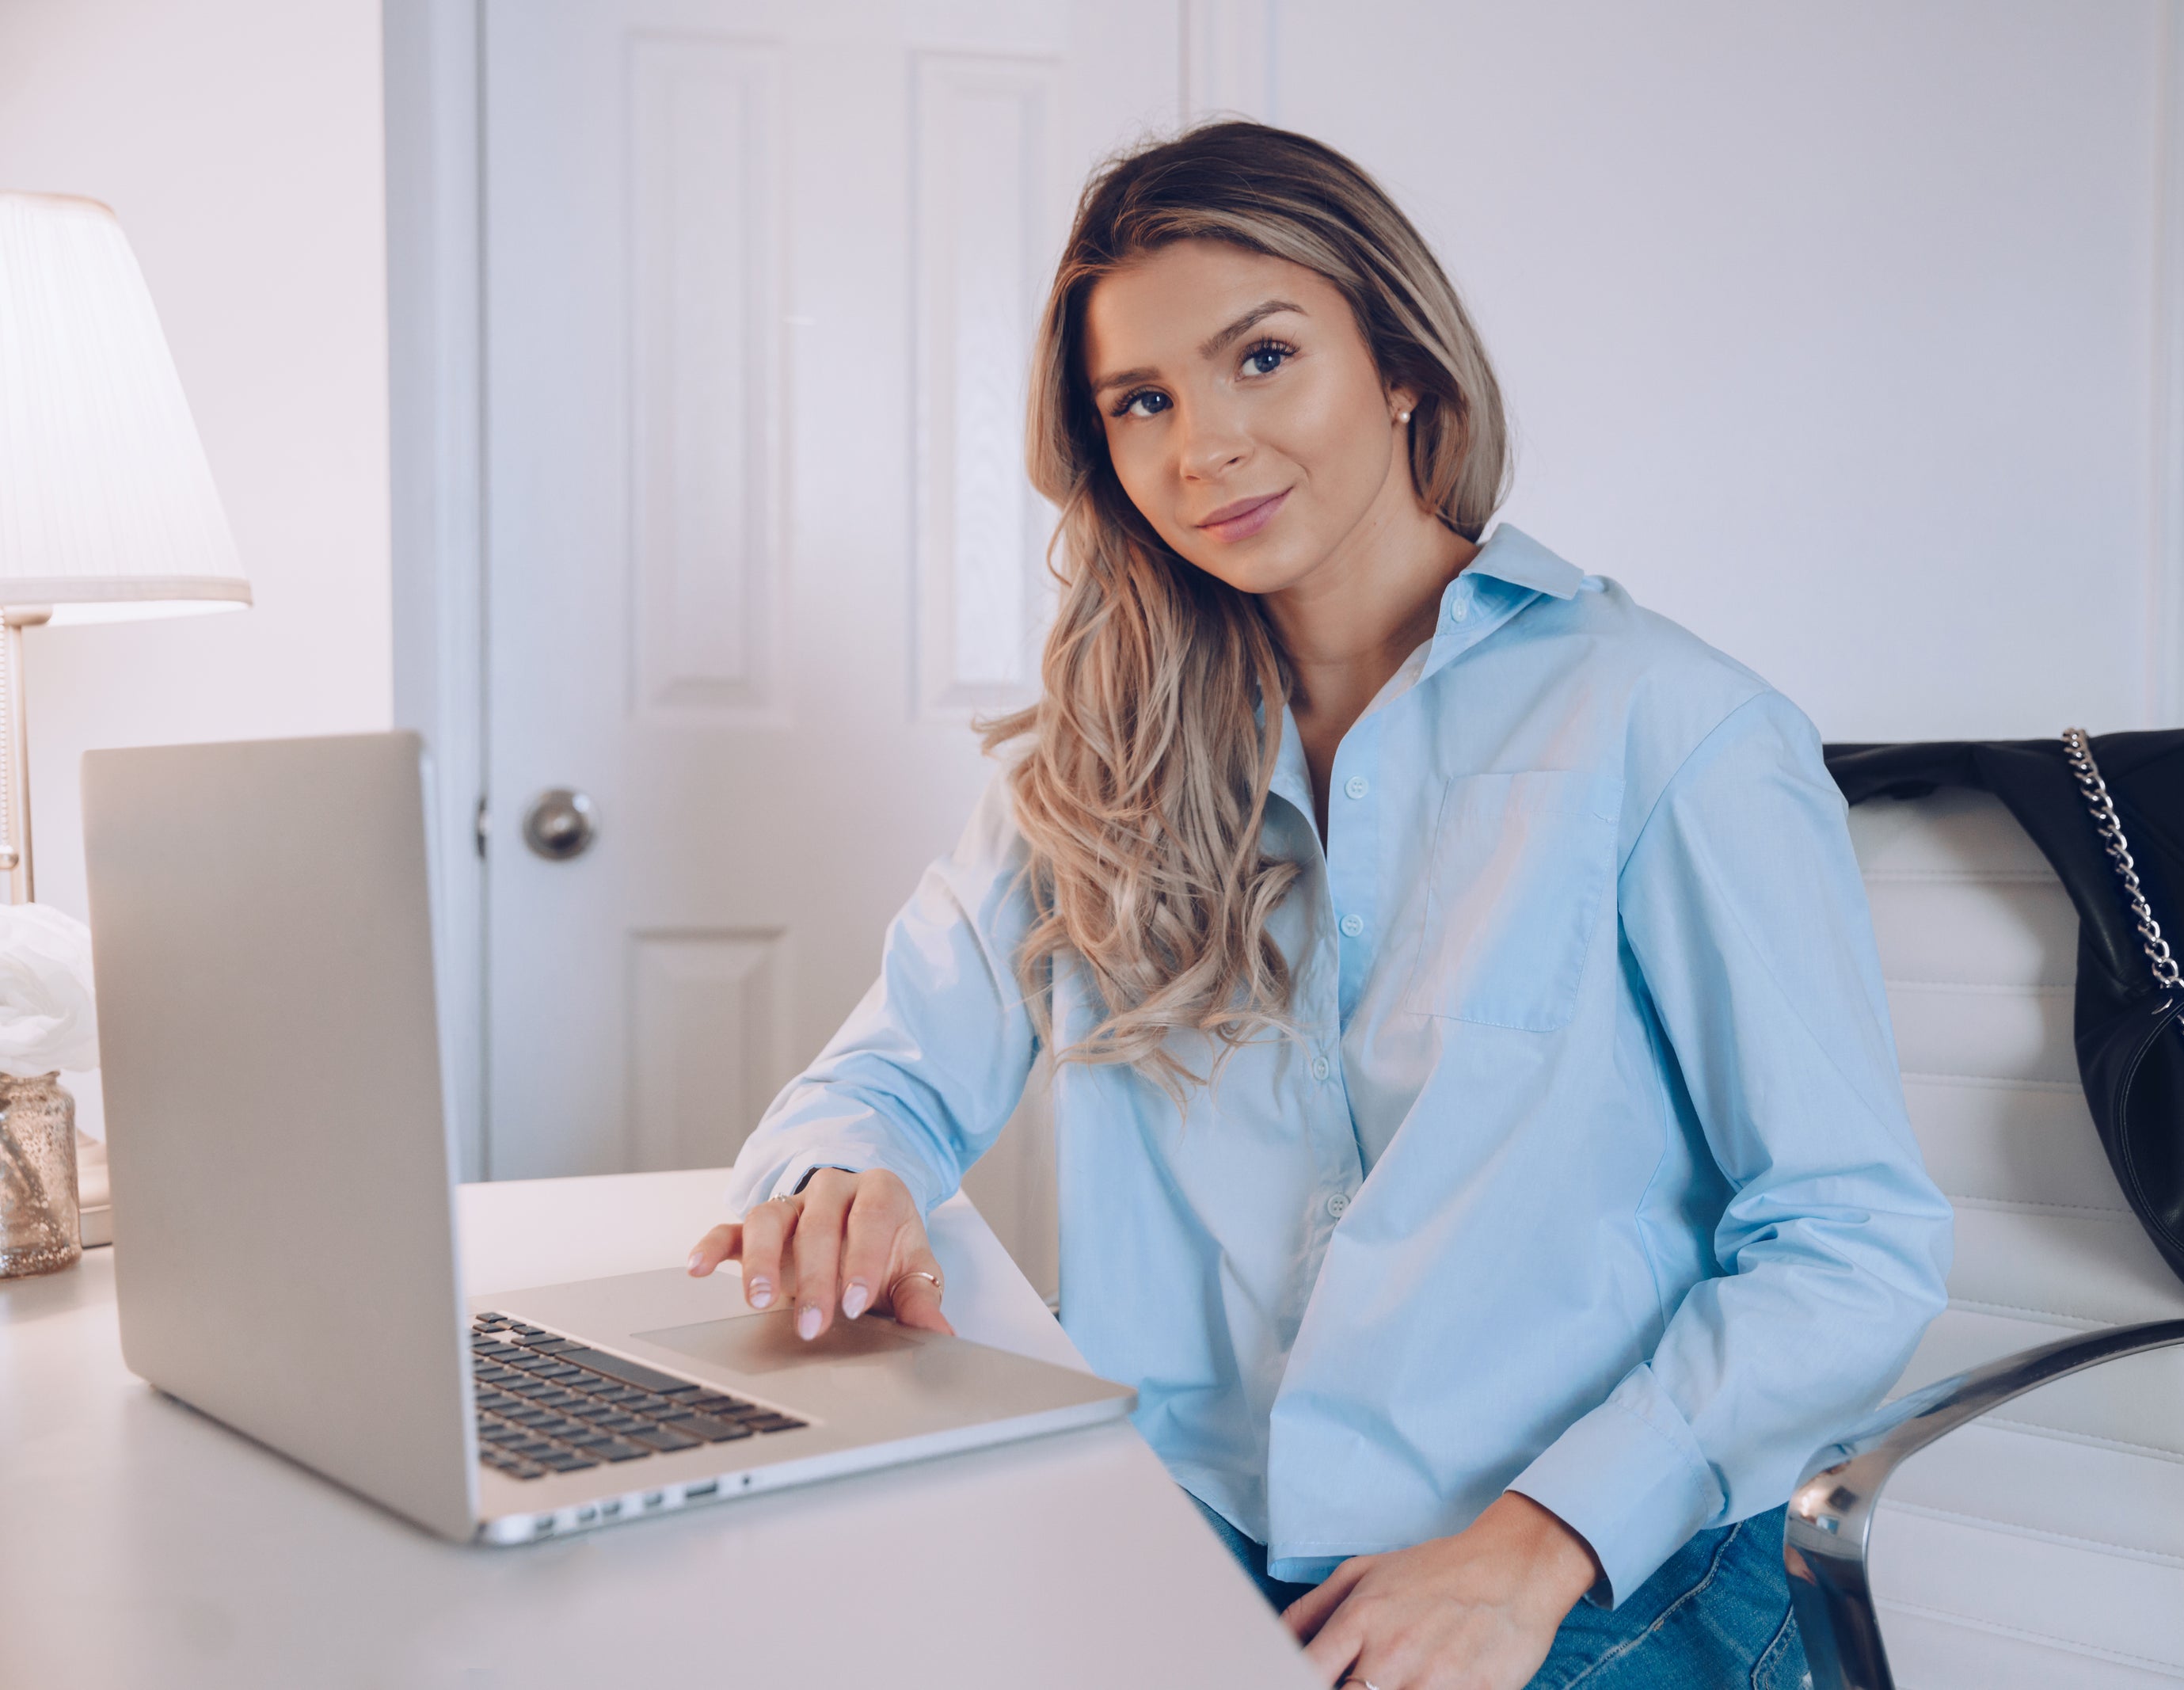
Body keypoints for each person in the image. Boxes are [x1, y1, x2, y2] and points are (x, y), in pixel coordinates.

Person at [695, 120, 1951, 1690]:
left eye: (1262, 358)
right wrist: (843, 1173)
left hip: (1580, 1554)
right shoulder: (1097, 763)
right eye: (1141, 401)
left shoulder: (1670, 728)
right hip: (1197, 1523)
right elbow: (879, 1076)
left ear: (1402, 365)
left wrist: (1535, 1545)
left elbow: (1851, 1242)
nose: (1202, 447)